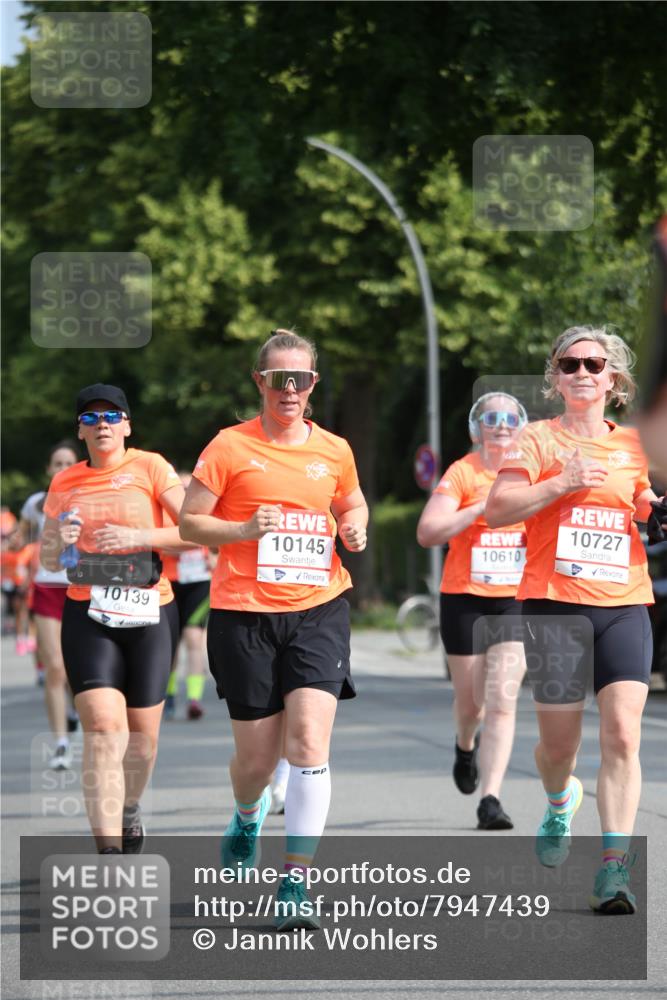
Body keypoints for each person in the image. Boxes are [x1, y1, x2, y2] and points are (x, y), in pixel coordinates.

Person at [179, 329, 368, 929]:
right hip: (244, 613)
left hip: (319, 607)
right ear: (260, 381)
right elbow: (189, 523)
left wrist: (356, 527)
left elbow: (352, 503)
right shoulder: (229, 446)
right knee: (257, 763)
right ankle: (246, 813)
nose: (290, 389)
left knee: (309, 743)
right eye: (279, 379)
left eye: (301, 379)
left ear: (313, 384)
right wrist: (242, 531)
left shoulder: (334, 449)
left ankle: (295, 881)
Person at [486, 325, 660, 914]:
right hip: (554, 606)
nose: (582, 372)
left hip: (623, 603)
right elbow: (497, 509)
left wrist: (656, 512)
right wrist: (563, 481)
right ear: (555, 378)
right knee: (558, 748)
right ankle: (561, 800)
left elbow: (638, 503)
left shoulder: (633, 445)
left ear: (614, 379)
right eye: (570, 364)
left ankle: (613, 867)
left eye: (594, 364)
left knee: (623, 734)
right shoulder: (536, 440)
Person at [41, 384, 186, 854]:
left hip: (150, 610)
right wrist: (60, 540)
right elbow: (48, 559)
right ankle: (109, 855)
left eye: (110, 416)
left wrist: (139, 536)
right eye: (90, 418)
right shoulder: (65, 483)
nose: (101, 424)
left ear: (126, 425)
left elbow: (194, 531)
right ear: (80, 431)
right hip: (89, 610)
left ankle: (129, 807)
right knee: (103, 729)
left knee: (142, 741)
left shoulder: (151, 467)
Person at [417, 393, 528, 830]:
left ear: (521, 428)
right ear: (476, 428)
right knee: (472, 705)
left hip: (515, 600)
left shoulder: (534, 474)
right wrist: (482, 506)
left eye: (509, 418)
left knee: (502, 698)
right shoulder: (463, 472)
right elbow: (429, 531)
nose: (500, 425)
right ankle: (466, 745)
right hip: (464, 598)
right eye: (491, 417)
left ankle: (491, 799)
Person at [18, 441, 79, 768]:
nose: (63, 468)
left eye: (69, 463)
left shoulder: (90, 496)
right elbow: (21, 535)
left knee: (76, 667)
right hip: (46, 587)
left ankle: (74, 712)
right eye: (57, 463)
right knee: (55, 666)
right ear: (48, 469)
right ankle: (61, 743)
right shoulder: (36, 503)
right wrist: (15, 542)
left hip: (81, 588)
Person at [160, 472, 215, 721]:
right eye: (179, 487)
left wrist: (213, 556)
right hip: (170, 582)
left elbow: (216, 541)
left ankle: (194, 699)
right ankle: (169, 695)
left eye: (188, 487)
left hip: (199, 582)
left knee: (194, 638)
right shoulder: (164, 514)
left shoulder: (204, 511)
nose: (184, 491)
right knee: (170, 644)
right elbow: (160, 543)